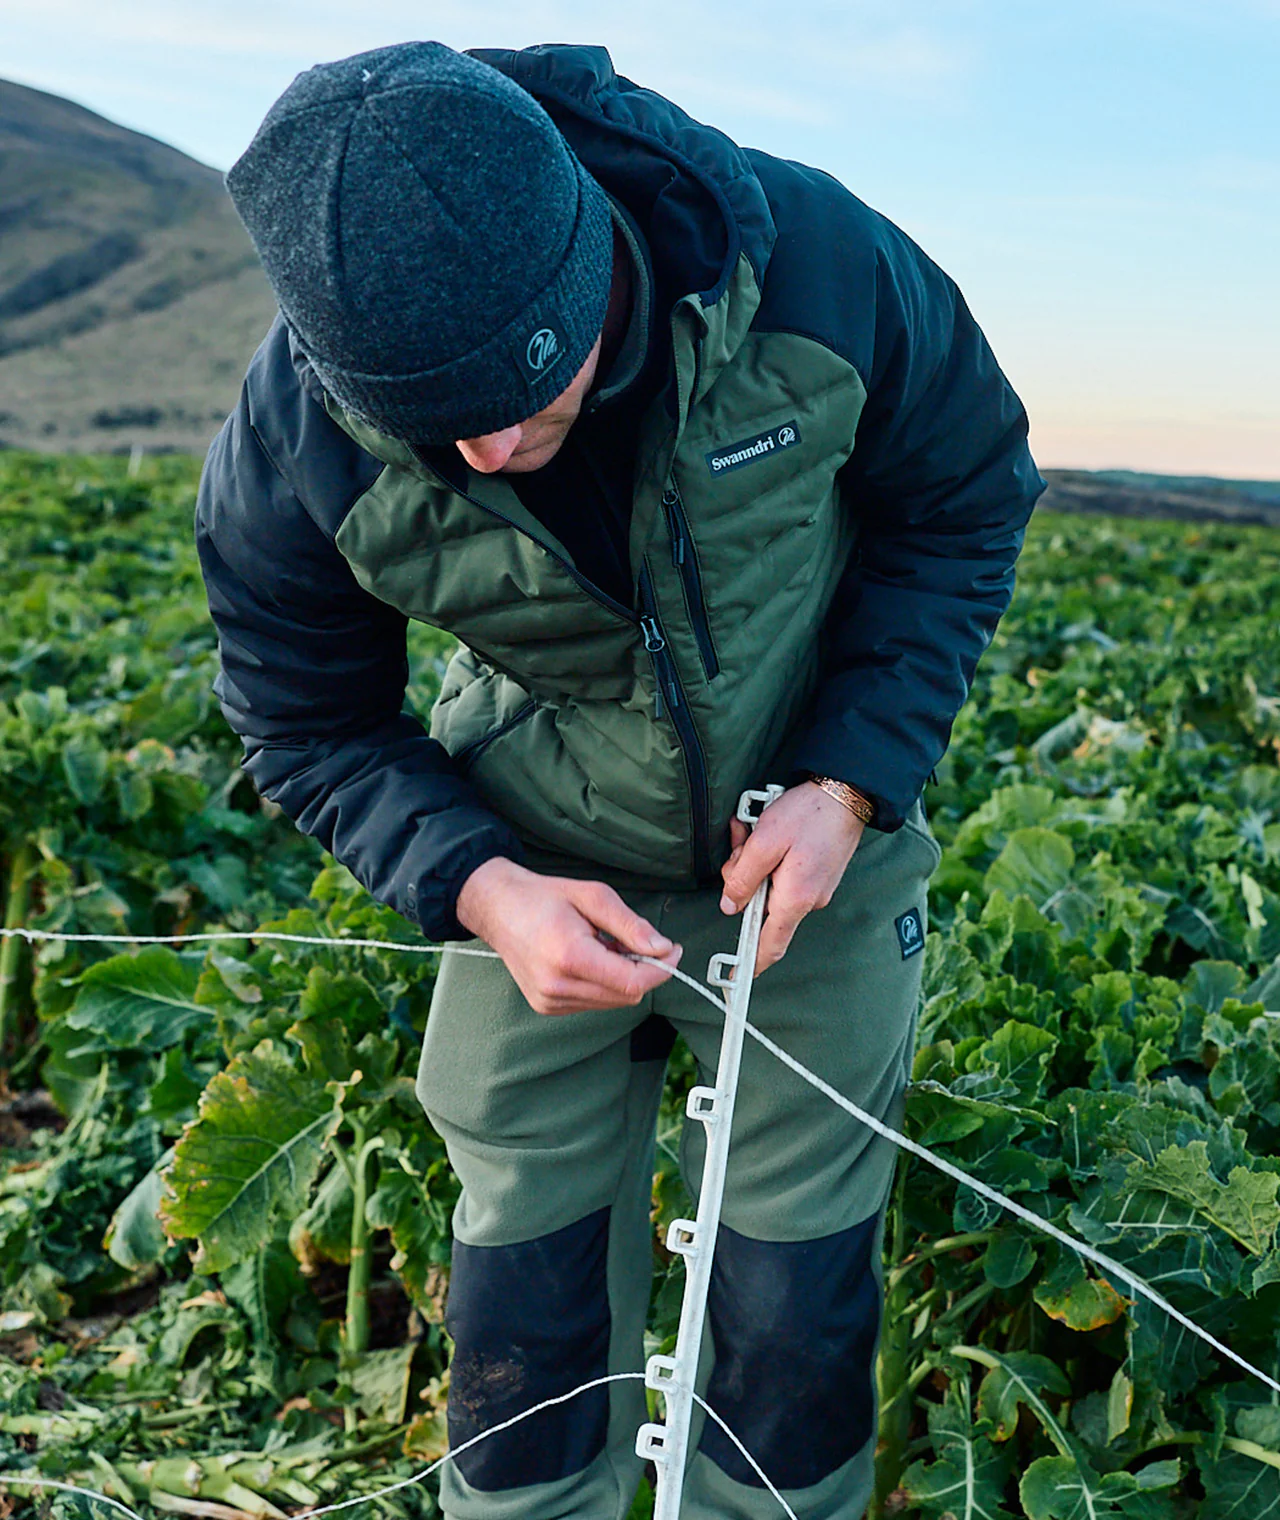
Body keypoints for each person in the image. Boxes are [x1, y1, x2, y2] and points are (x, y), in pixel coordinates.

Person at [197, 40, 1043, 1520]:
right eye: (435, 424)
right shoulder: (296, 444)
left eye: (518, 394)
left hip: (816, 855)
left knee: (794, 1295)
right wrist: (480, 884)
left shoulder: (821, 272)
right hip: (530, 852)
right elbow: (304, 721)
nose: (489, 447)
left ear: (592, 249)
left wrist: (850, 780)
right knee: (518, 1275)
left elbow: (965, 499)